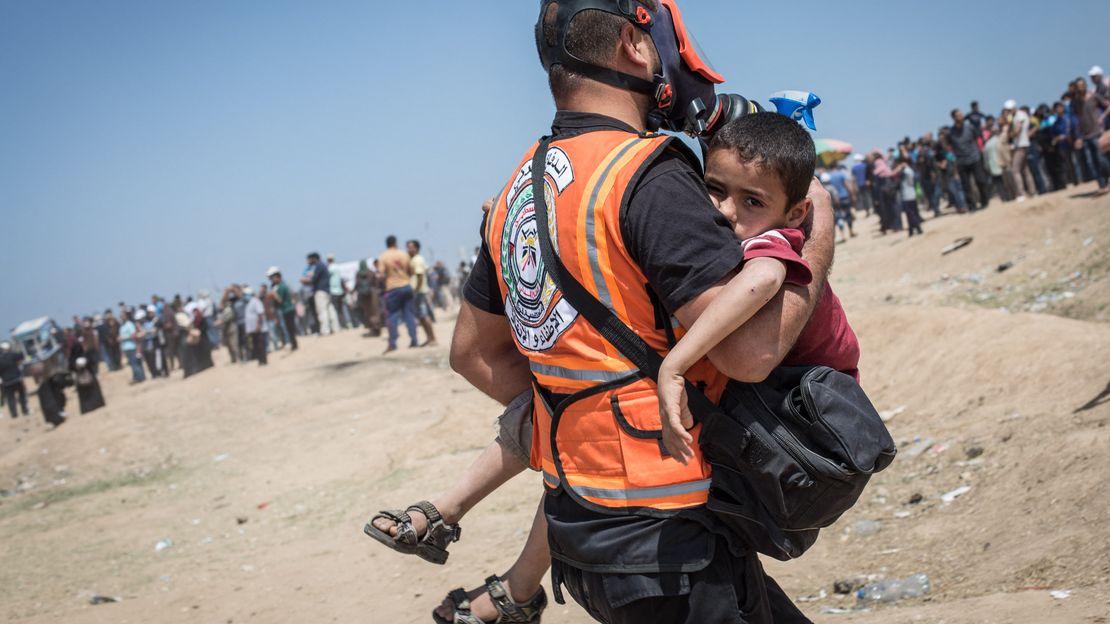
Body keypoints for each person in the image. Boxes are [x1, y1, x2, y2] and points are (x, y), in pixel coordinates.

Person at [368, 2, 835, 620]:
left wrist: (590, 417)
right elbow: (748, 354)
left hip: (579, 528)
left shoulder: (521, 187)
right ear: (635, 46)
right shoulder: (650, 172)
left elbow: (473, 354)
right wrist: (819, 221)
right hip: (670, 536)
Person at [657, 113, 860, 462]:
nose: (726, 211)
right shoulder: (756, 229)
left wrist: (674, 366)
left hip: (820, 393)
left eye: (752, 201)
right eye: (715, 189)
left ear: (796, 214)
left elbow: (764, 277)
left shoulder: (774, 240)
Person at [378, 235, 418, 354]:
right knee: (409, 315)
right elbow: (411, 271)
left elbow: (380, 275)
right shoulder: (404, 254)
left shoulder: (383, 257)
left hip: (392, 289)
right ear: (395, 243)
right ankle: (414, 340)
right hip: (406, 286)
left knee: (392, 316)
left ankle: (392, 343)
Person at [949, 109, 991, 210]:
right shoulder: (951, 132)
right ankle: (972, 206)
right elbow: (950, 148)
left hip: (974, 158)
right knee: (966, 186)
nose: (961, 116)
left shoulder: (970, 127)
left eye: (961, 114)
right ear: (954, 118)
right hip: (961, 162)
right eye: (958, 115)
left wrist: (980, 153)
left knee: (980, 180)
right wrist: (955, 164)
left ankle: (984, 202)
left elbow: (977, 140)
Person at [1074, 85, 1110, 194]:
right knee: (1092, 162)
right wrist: (1079, 137)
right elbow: (1078, 120)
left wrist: (1102, 117)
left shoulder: (1094, 97)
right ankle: (1102, 185)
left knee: (1101, 159)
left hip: (1097, 133)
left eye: (1082, 85)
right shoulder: (1077, 104)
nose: (1080, 88)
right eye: (1078, 86)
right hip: (1086, 136)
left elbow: (1108, 106)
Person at [406, 239, 438, 347]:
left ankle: (433, 338)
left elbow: (419, 276)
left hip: (419, 292)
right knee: (421, 316)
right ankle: (429, 338)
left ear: (416, 248)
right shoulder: (414, 260)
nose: (408, 249)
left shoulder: (417, 260)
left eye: (410, 247)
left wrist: (416, 289)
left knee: (424, 316)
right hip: (418, 291)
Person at [302, 252, 339, 336]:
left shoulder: (318, 266)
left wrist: (304, 280)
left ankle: (325, 331)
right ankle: (335, 328)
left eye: (309, 259)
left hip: (320, 291)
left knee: (322, 311)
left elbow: (313, 280)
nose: (308, 261)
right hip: (327, 291)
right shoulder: (323, 265)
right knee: (330, 310)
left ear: (314, 258)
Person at [268, 267, 299, 351]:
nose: (271, 280)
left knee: (289, 328)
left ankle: (292, 343)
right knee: (288, 328)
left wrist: (274, 295)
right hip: (286, 309)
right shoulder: (280, 286)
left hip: (287, 309)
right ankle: (293, 344)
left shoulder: (281, 286)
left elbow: (280, 300)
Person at [32, 363, 70, 428]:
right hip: (50, 390)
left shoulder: (48, 380)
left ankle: (59, 415)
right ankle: (59, 416)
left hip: (51, 388)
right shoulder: (47, 380)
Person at [894, 156, 924, 236]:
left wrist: (899, 168)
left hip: (907, 196)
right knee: (912, 213)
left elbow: (893, 174)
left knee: (910, 214)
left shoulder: (905, 172)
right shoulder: (911, 170)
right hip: (912, 194)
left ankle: (918, 228)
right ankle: (911, 230)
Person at [0, 342, 30, 419]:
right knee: (22, 395)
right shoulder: (12, 355)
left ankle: (14, 414)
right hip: (16, 379)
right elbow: (22, 355)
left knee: (10, 398)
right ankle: (25, 410)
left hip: (6, 382)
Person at [354, 260, 383, 338]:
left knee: (368, 312)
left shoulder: (358, 274)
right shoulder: (371, 272)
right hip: (373, 294)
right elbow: (376, 282)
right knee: (375, 311)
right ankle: (377, 328)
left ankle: (372, 329)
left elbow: (356, 285)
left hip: (363, 296)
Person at [118, 310, 145, 384]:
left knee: (135, 363)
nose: (121, 317)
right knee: (132, 364)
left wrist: (124, 338)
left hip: (132, 346)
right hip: (126, 347)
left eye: (123, 316)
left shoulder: (129, 324)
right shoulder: (122, 326)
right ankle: (136, 377)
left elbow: (133, 335)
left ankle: (140, 377)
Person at [244, 287, 268, 366]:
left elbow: (260, 314)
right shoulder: (248, 303)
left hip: (259, 329)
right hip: (252, 330)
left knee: (261, 345)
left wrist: (258, 325)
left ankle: (263, 361)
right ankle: (260, 361)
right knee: (256, 346)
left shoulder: (255, 301)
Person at [326, 254, 352, 330]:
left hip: (333, 291)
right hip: (340, 291)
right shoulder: (338, 267)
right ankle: (345, 324)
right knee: (341, 309)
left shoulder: (330, 268)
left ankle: (340, 325)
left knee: (336, 310)